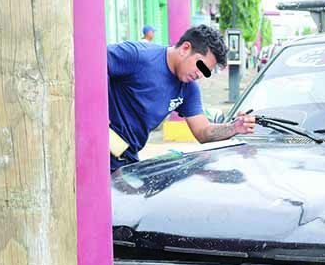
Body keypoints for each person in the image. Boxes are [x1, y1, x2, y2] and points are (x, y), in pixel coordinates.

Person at [108, 25, 255, 171]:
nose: (200, 74)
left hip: (124, 157)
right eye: (200, 66)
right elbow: (90, 64)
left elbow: (203, 132)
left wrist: (234, 128)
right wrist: (97, 118)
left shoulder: (188, 88)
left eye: (206, 72)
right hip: (96, 147)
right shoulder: (137, 55)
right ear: (185, 48)